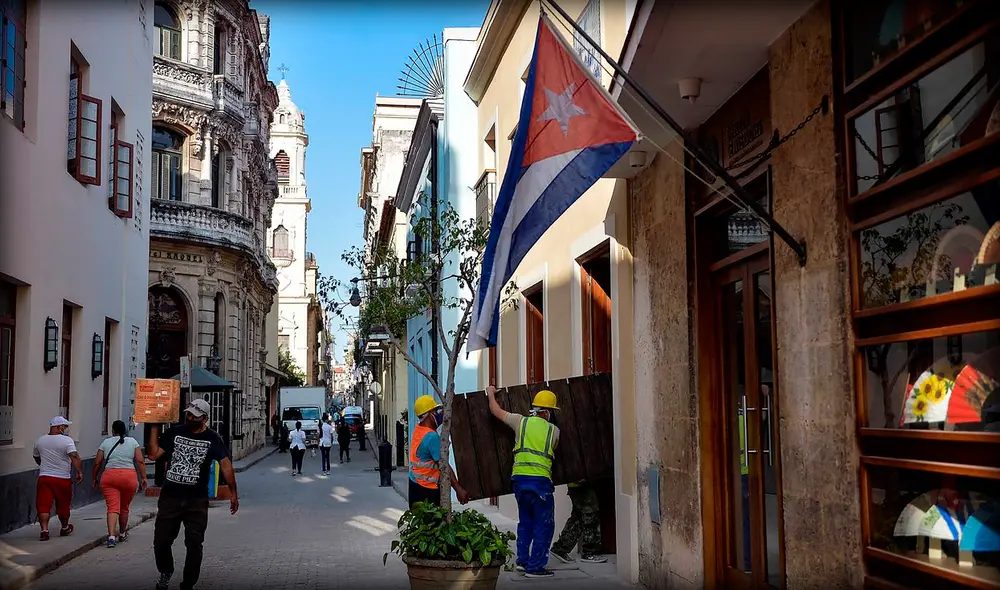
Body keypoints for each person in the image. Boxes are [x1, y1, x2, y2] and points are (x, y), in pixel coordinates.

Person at [147, 399, 238, 590]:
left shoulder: (213, 438)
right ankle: (166, 570)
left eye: (195, 416)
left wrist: (233, 493)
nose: (190, 418)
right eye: (188, 414)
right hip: (170, 497)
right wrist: (154, 426)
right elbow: (154, 455)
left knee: (194, 543)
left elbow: (227, 466)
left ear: (204, 418)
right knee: (161, 540)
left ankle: (188, 583)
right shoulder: (175, 432)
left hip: (196, 500)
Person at [487, 385, 560, 578]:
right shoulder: (554, 431)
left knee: (525, 521)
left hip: (519, 481)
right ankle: (535, 567)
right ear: (546, 412)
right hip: (541, 483)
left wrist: (490, 393)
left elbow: (495, 411)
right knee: (543, 524)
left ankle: (522, 561)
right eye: (552, 412)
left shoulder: (520, 422)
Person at [408, 395, 470, 509]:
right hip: (426, 490)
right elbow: (444, 465)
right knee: (433, 525)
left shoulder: (419, 430)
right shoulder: (432, 437)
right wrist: (458, 489)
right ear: (427, 415)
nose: (438, 414)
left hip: (414, 485)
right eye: (435, 411)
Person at [93, 420, 147, 548]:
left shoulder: (106, 442)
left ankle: (111, 536)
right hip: (129, 477)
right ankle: (122, 533)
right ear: (125, 430)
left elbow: (97, 462)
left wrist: (94, 477)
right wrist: (144, 478)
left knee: (112, 508)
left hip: (109, 477)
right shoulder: (133, 442)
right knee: (124, 508)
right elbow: (140, 461)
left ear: (112, 430)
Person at [33, 416, 84, 541]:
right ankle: (65, 527)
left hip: (44, 477)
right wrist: (79, 472)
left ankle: (44, 530)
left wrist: (44, 465)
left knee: (43, 504)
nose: (65, 428)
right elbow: (74, 456)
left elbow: (36, 457)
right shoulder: (67, 441)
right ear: (58, 427)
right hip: (62, 478)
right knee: (63, 504)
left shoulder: (40, 440)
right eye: (64, 426)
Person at [549, 480, 607, 564]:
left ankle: (561, 547)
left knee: (578, 516)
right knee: (589, 515)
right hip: (581, 482)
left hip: (576, 482)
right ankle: (589, 552)